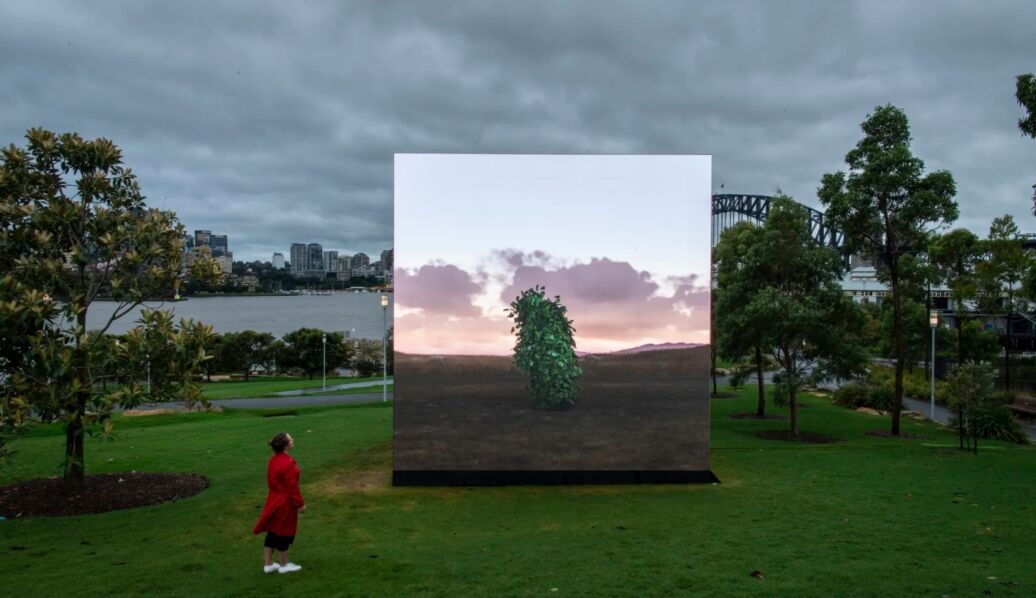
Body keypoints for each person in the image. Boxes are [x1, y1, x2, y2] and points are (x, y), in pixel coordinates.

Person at [253, 432, 306, 574]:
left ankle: (268, 564)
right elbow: (292, 486)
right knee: (284, 532)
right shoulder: (288, 462)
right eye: (290, 439)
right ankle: (284, 565)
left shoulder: (273, 460)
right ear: (285, 445)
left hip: (274, 500)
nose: (293, 439)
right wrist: (300, 504)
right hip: (285, 503)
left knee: (273, 531)